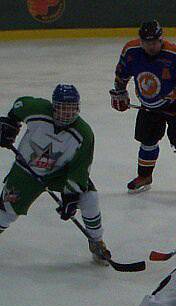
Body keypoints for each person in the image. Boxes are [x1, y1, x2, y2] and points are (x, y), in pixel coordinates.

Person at [0, 84, 110, 264]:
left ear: (78, 108)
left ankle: (97, 242)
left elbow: (80, 169)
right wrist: (10, 123)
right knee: (5, 213)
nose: (66, 114)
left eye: (71, 109)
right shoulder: (37, 110)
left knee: (89, 197)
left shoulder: (84, 134)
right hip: (26, 171)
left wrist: (70, 197)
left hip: (59, 174)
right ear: (53, 107)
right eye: (62, 108)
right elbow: (19, 105)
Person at [110, 20, 176, 200]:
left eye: (155, 41)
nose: (151, 46)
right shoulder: (131, 51)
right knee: (147, 142)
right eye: (147, 42)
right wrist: (119, 92)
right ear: (140, 41)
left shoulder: (175, 56)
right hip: (149, 106)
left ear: (161, 39)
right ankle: (145, 176)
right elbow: (122, 75)